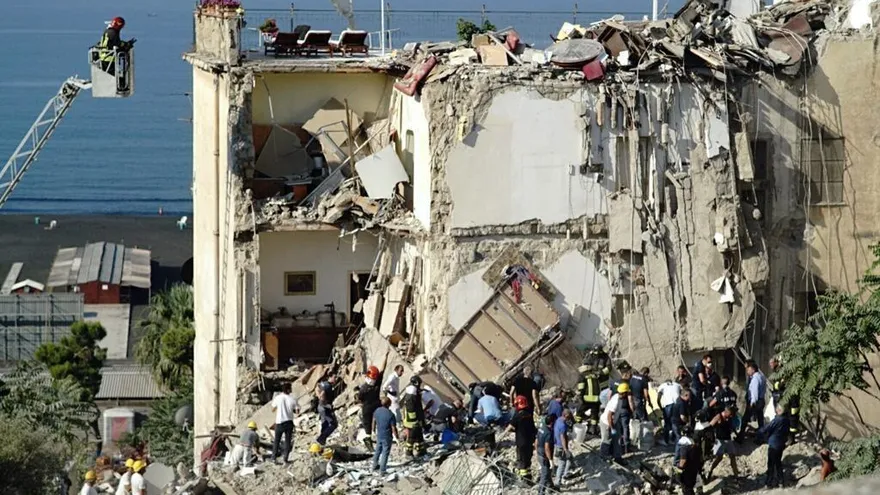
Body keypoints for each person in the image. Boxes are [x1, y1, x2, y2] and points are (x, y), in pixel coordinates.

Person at [505, 395, 538, 480]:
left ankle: (524, 479)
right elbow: (533, 428)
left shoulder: (517, 416)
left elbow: (509, 428)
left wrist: (503, 434)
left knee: (522, 460)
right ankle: (526, 476)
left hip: (521, 442)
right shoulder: (529, 415)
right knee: (527, 460)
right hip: (529, 441)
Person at [758, 405, 790, 488]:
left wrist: (759, 431)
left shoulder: (777, 420)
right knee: (778, 463)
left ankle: (769, 483)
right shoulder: (787, 420)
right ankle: (781, 482)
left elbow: (767, 428)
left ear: (778, 410)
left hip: (774, 444)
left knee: (771, 464)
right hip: (781, 444)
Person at [769, 357, 800, 440]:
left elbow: (780, 385)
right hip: (786, 398)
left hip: (790, 398)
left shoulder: (783, 371)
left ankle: (791, 438)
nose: (770, 365)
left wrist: (776, 387)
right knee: (786, 417)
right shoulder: (777, 371)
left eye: (772, 363)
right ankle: (788, 436)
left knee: (791, 417)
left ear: (777, 362)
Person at [706, 406, 739, 479]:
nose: (731, 415)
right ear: (726, 411)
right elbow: (710, 426)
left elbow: (732, 427)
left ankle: (736, 475)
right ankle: (710, 471)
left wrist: (737, 434)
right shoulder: (718, 417)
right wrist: (711, 438)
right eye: (730, 414)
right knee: (719, 458)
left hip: (728, 440)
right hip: (720, 440)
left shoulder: (730, 417)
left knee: (733, 457)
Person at [271, 382, 297, 464]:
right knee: (287, 441)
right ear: (288, 389)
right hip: (289, 422)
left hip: (279, 422)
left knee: (276, 441)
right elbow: (297, 411)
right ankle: (285, 459)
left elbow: (273, 409)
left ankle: (273, 458)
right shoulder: (292, 399)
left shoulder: (278, 398)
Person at [401, 376, 427, 457]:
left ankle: (421, 450)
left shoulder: (412, 392)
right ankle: (408, 453)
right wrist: (415, 419)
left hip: (415, 418)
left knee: (419, 435)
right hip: (412, 420)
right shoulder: (411, 395)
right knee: (412, 436)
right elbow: (412, 408)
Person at [371, 397, 398, 475]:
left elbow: (374, 421)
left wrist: (373, 430)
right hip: (387, 436)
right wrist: (397, 437)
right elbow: (393, 428)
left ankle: (374, 466)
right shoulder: (390, 414)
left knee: (378, 450)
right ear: (389, 404)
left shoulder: (377, 411)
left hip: (379, 434)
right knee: (385, 452)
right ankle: (382, 470)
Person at [740, 360, 767, 437]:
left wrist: (752, 404)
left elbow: (754, 393)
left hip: (755, 402)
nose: (747, 371)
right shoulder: (761, 376)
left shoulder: (755, 379)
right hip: (761, 400)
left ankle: (740, 436)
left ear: (753, 369)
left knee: (745, 419)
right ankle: (761, 436)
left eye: (748, 369)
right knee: (760, 419)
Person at [358, 365, 383, 451]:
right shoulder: (374, 384)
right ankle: (369, 440)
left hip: (369, 406)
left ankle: (370, 440)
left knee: (368, 423)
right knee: (368, 424)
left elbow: (360, 398)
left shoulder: (364, 388)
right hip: (373, 405)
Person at [575, 362, 602, 434]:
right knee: (594, 415)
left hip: (586, 399)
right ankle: (593, 430)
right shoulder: (595, 376)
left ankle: (577, 428)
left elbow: (581, 388)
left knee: (579, 412)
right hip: (596, 399)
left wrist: (580, 397)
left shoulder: (582, 376)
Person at [676, 425, 703, 495]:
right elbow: (700, 458)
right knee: (691, 487)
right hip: (695, 470)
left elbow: (683, 461)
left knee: (687, 489)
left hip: (687, 472)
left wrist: (678, 472)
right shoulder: (696, 445)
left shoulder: (684, 446)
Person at [657, 376, 682, 445]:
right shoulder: (677, 385)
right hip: (677, 404)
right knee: (675, 422)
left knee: (667, 423)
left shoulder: (662, 385)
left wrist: (661, 407)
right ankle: (675, 439)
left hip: (668, 405)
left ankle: (666, 441)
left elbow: (658, 398)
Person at [672, 389, 694, 465]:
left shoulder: (679, 399)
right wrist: (687, 422)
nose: (690, 398)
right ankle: (677, 461)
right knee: (680, 442)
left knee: (679, 441)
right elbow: (682, 416)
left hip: (675, 423)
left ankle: (679, 458)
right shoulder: (682, 403)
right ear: (685, 395)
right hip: (678, 424)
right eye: (689, 396)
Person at [536, 414, 556, 495]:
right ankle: (540, 492)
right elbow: (547, 447)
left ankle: (550, 486)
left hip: (540, 453)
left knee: (547, 471)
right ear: (551, 423)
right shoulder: (548, 432)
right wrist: (551, 460)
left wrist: (537, 453)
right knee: (544, 474)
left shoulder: (541, 428)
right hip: (544, 454)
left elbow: (536, 441)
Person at [612, 382, 633, 459]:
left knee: (619, 429)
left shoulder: (617, 395)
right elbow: (631, 403)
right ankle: (627, 447)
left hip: (617, 412)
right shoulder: (627, 395)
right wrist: (633, 412)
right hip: (625, 412)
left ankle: (620, 446)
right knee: (625, 428)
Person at [316, 376, 338, 446]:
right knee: (333, 424)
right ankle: (321, 438)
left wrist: (318, 396)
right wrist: (324, 402)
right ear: (330, 377)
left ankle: (322, 442)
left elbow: (317, 388)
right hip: (325, 407)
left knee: (324, 424)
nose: (336, 379)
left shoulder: (323, 383)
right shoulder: (328, 386)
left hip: (321, 407)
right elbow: (322, 394)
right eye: (335, 377)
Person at [553, 409, 573, 486]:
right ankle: (557, 482)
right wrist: (565, 449)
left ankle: (565, 474)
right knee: (562, 464)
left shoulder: (558, 420)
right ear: (566, 416)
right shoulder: (562, 425)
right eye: (569, 416)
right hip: (561, 447)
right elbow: (562, 437)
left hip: (558, 445)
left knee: (570, 458)